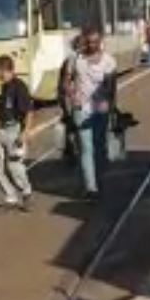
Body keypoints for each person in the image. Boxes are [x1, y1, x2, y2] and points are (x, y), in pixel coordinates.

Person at [63, 26, 118, 199]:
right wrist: (72, 95)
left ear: (100, 41)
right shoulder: (75, 59)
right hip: (81, 109)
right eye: (89, 41)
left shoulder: (109, 61)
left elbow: (112, 87)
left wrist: (111, 106)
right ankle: (91, 187)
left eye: (95, 41)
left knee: (100, 147)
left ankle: (99, 179)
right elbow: (66, 81)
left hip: (100, 109)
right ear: (84, 40)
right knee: (86, 148)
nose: (92, 45)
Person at [0, 55, 34, 209]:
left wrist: (25, 132)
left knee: (14, 166)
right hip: (3, 129)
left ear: (8, 70)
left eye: (0, 72)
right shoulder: (4, 87)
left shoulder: (19, 86)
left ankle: (26, 191)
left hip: (15, 129)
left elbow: (28, 111)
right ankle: (10, 196)